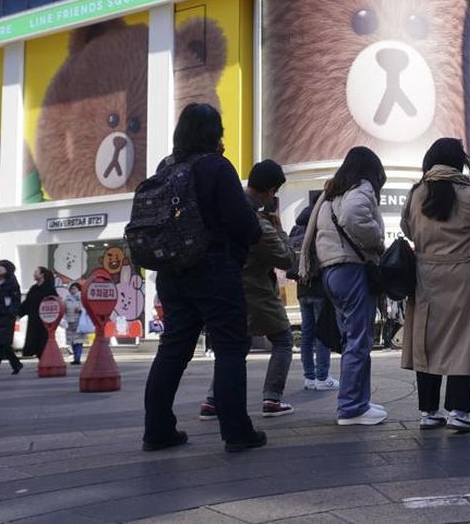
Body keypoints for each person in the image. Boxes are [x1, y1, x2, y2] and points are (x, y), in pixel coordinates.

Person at [143, 103, 266, 453]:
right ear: (216, 133)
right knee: (229, 347)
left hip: (171, 272)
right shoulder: (216, 167)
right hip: (214, 270)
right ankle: (236, 430)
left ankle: (157, 429)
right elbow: (244, 225)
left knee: (173, 348)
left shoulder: (166, 167)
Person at [400, 139, 470, 433]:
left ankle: (428, 412)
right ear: (460, 162)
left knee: (426, 343)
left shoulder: (416, 193)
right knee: (463, 342)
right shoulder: (469, 194)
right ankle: (459, 412)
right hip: (463, 276)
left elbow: (408, 229)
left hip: (425, 275)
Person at [300, 146, 388, 426]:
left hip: (331, 272)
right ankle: (351, 407)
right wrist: (376, 240)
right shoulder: (360, 189)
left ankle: (358, 401)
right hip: (351, 269)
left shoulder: (330, 195)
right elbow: (353, 216)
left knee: (352, 338)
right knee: (358, 340)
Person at [203, 160, 297, 420]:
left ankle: (212, 400)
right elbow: (286, 259)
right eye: (274, 192)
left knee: (235, 345)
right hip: (256, 290)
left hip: (225, 285)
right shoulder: (258, 223)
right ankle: (272, 398)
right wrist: (280, 231)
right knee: (283, 340)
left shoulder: (227, 206)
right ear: (269, 191)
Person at [289, 204, 337, 392]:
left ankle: (309, 377)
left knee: (307, 335)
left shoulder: (295, 232)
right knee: (321, 334)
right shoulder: (316, 232)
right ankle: (322, 377)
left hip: (302, 290)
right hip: (319, 289)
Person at [0, 260, 23, 377]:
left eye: (1, 267)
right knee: (1, 342)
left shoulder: (12, 282)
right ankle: (16, 364)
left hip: (6, 316)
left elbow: (16, 300)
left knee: (2, 342)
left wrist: (10, 311)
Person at [19, 267, 53, 359]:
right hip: (34, 319)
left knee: (43, 341)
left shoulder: (49, 288)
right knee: (34, 340)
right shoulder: (33, 288)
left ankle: (45, 360)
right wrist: (18, 312)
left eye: (36, 272)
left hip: (45, 320)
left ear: (42, 274)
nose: (34, 274)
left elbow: (54, 302)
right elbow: (27, 302)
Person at [63, 282, 87, 365]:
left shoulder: (82, 298)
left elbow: (86, 309)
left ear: (79, 289)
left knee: (78, 341)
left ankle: (77, 358)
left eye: (74, 289)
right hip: (69, 322)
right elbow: (64, 309)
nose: (72, 290)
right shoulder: (66, 299)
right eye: (71, 289)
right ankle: (75, 358)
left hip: (79, 322)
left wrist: (81, 310)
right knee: (72, 341)